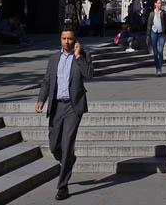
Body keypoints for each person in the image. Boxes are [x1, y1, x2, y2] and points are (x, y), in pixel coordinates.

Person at [35, 25, 93, 201]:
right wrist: (41, 100)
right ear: (60, 39)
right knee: (54, 145)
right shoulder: (54, 58)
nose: (67, 42)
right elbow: (47, 81)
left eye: (70, 39)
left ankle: (62, 186)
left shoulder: (83, 55)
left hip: (73, 107)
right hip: (56, 106)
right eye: (64, 38)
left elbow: (89, 74)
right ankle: (69, 159)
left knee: (67, 144)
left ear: (75, 39)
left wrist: (78, 56)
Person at [146, 0, 166, 75]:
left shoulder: (163, 13)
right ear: (155, 4)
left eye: (160, 3)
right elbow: (149, 25)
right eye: (158, 3)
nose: (160, 4)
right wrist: (148, 35)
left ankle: (160, 68)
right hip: (154, 33)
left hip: (161, 33)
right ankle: (157, 68)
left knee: (160, 51)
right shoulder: (152, 13)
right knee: (155, 52)